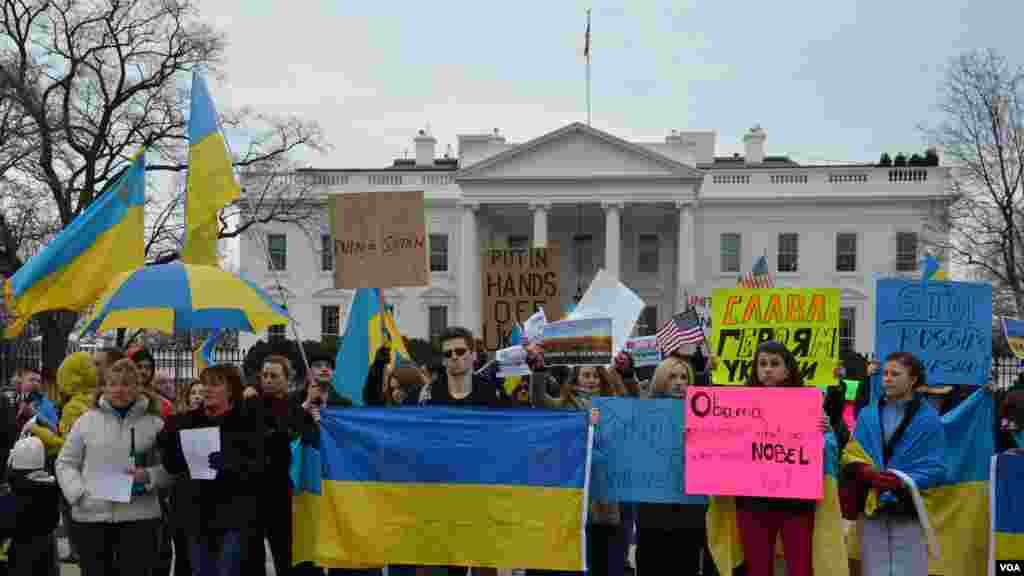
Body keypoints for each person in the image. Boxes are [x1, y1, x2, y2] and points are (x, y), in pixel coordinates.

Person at [55, 358, 171, 576]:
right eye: (113, 383)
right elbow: (65, 463)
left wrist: (148, 475)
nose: (120, 390)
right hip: (92, 517)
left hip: (140, 518)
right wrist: (78, 494)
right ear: (104, 387)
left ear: (138, 387)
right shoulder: (86, 421)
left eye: (127, 384)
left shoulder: (155, 424)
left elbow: (171, 469)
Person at [841, 352, 947, 576]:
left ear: (913, 379)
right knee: (873, 569)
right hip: (871, 502)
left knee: (909, 570)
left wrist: (900, 480)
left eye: (895, 374)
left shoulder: (929, 420)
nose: (887, 378)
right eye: (885, 373)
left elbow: (937, 469)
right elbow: (851, 454)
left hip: (908, 505)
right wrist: (865, 472)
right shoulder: (868, 415)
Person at [730, 341, 829, 576]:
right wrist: (700, 436)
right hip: (753, 500)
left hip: (796, 500)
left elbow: (828, 452)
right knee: (757, 567)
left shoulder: (809, 403)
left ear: (788, 369)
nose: (767, 369)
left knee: (800, 566)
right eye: (762, 364)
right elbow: (725, 445)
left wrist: (825, 431)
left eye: (774, 364)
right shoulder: (735, 404)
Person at [526, 345, 626, 576]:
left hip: (604, 497)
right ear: (576, 378)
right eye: (586, 375)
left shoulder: (613, 406)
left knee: (602, 559)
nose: (591, 380)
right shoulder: (564, 405)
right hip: (574, 496)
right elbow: (539, 400)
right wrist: (539, 373)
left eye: (595, 376)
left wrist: (624, 374)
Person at [159, 363, 265, 576]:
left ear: (231, 389)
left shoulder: (248, 422)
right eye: (205, 383)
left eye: (215, 384)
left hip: (233, 518)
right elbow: (173, 465)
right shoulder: (186, 422)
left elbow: (260, 467)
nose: (207, 389)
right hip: (197, 516)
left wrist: (233, 464)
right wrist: (167, 441)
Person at [637, 355, 716, 576]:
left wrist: (699, 442)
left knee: (686, 564)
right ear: (661, 380)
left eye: (684, 377)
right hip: (653, 509)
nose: (679, 382)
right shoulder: (643, 412)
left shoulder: (704, 415)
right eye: (672, 377)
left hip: (689, 510)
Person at [243, 354, 312, 576]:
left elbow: (308, 440)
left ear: (287, 379)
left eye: (274, 375)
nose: (268, 380)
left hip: (283, 495)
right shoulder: (249, 406)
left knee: (285, 556)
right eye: (264, 375)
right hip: (251, 493)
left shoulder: (295, 410)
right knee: (252, 559)